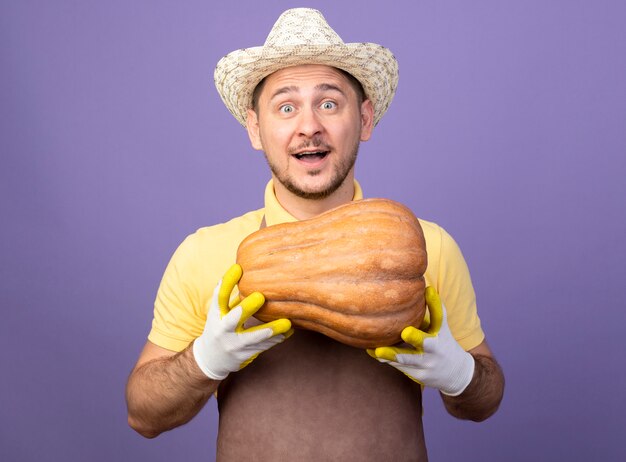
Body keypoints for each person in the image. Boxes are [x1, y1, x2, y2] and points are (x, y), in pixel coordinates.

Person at [126, 8, 504, 461]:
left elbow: (485, 401)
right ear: (255, 129)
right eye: (286, 107)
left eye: (329, 103)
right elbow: (143, 416)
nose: (309, 126)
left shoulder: (430, 246)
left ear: (364, 119)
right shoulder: (205, 254)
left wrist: (459, 373)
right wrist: (204, 360)